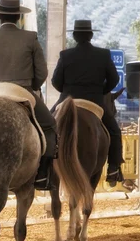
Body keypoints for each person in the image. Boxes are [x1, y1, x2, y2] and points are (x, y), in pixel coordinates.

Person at [0, 0, 57, 190]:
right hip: (24, 91)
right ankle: (42, 175)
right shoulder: (30, 38)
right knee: (49, 125)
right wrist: (34, 86)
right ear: (19, 17)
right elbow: (42, 72)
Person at [51, 20, 123, 184]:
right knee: (114, 130)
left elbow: (55, 81)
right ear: (90, 35)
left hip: (67, 100)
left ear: (75, 36)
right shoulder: (103, 54)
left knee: (46, 126)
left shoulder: (65, 55)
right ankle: (113, 168)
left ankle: (43, 169)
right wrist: (100, 91)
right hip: (94, 100)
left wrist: (67, 92)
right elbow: (114, 79)